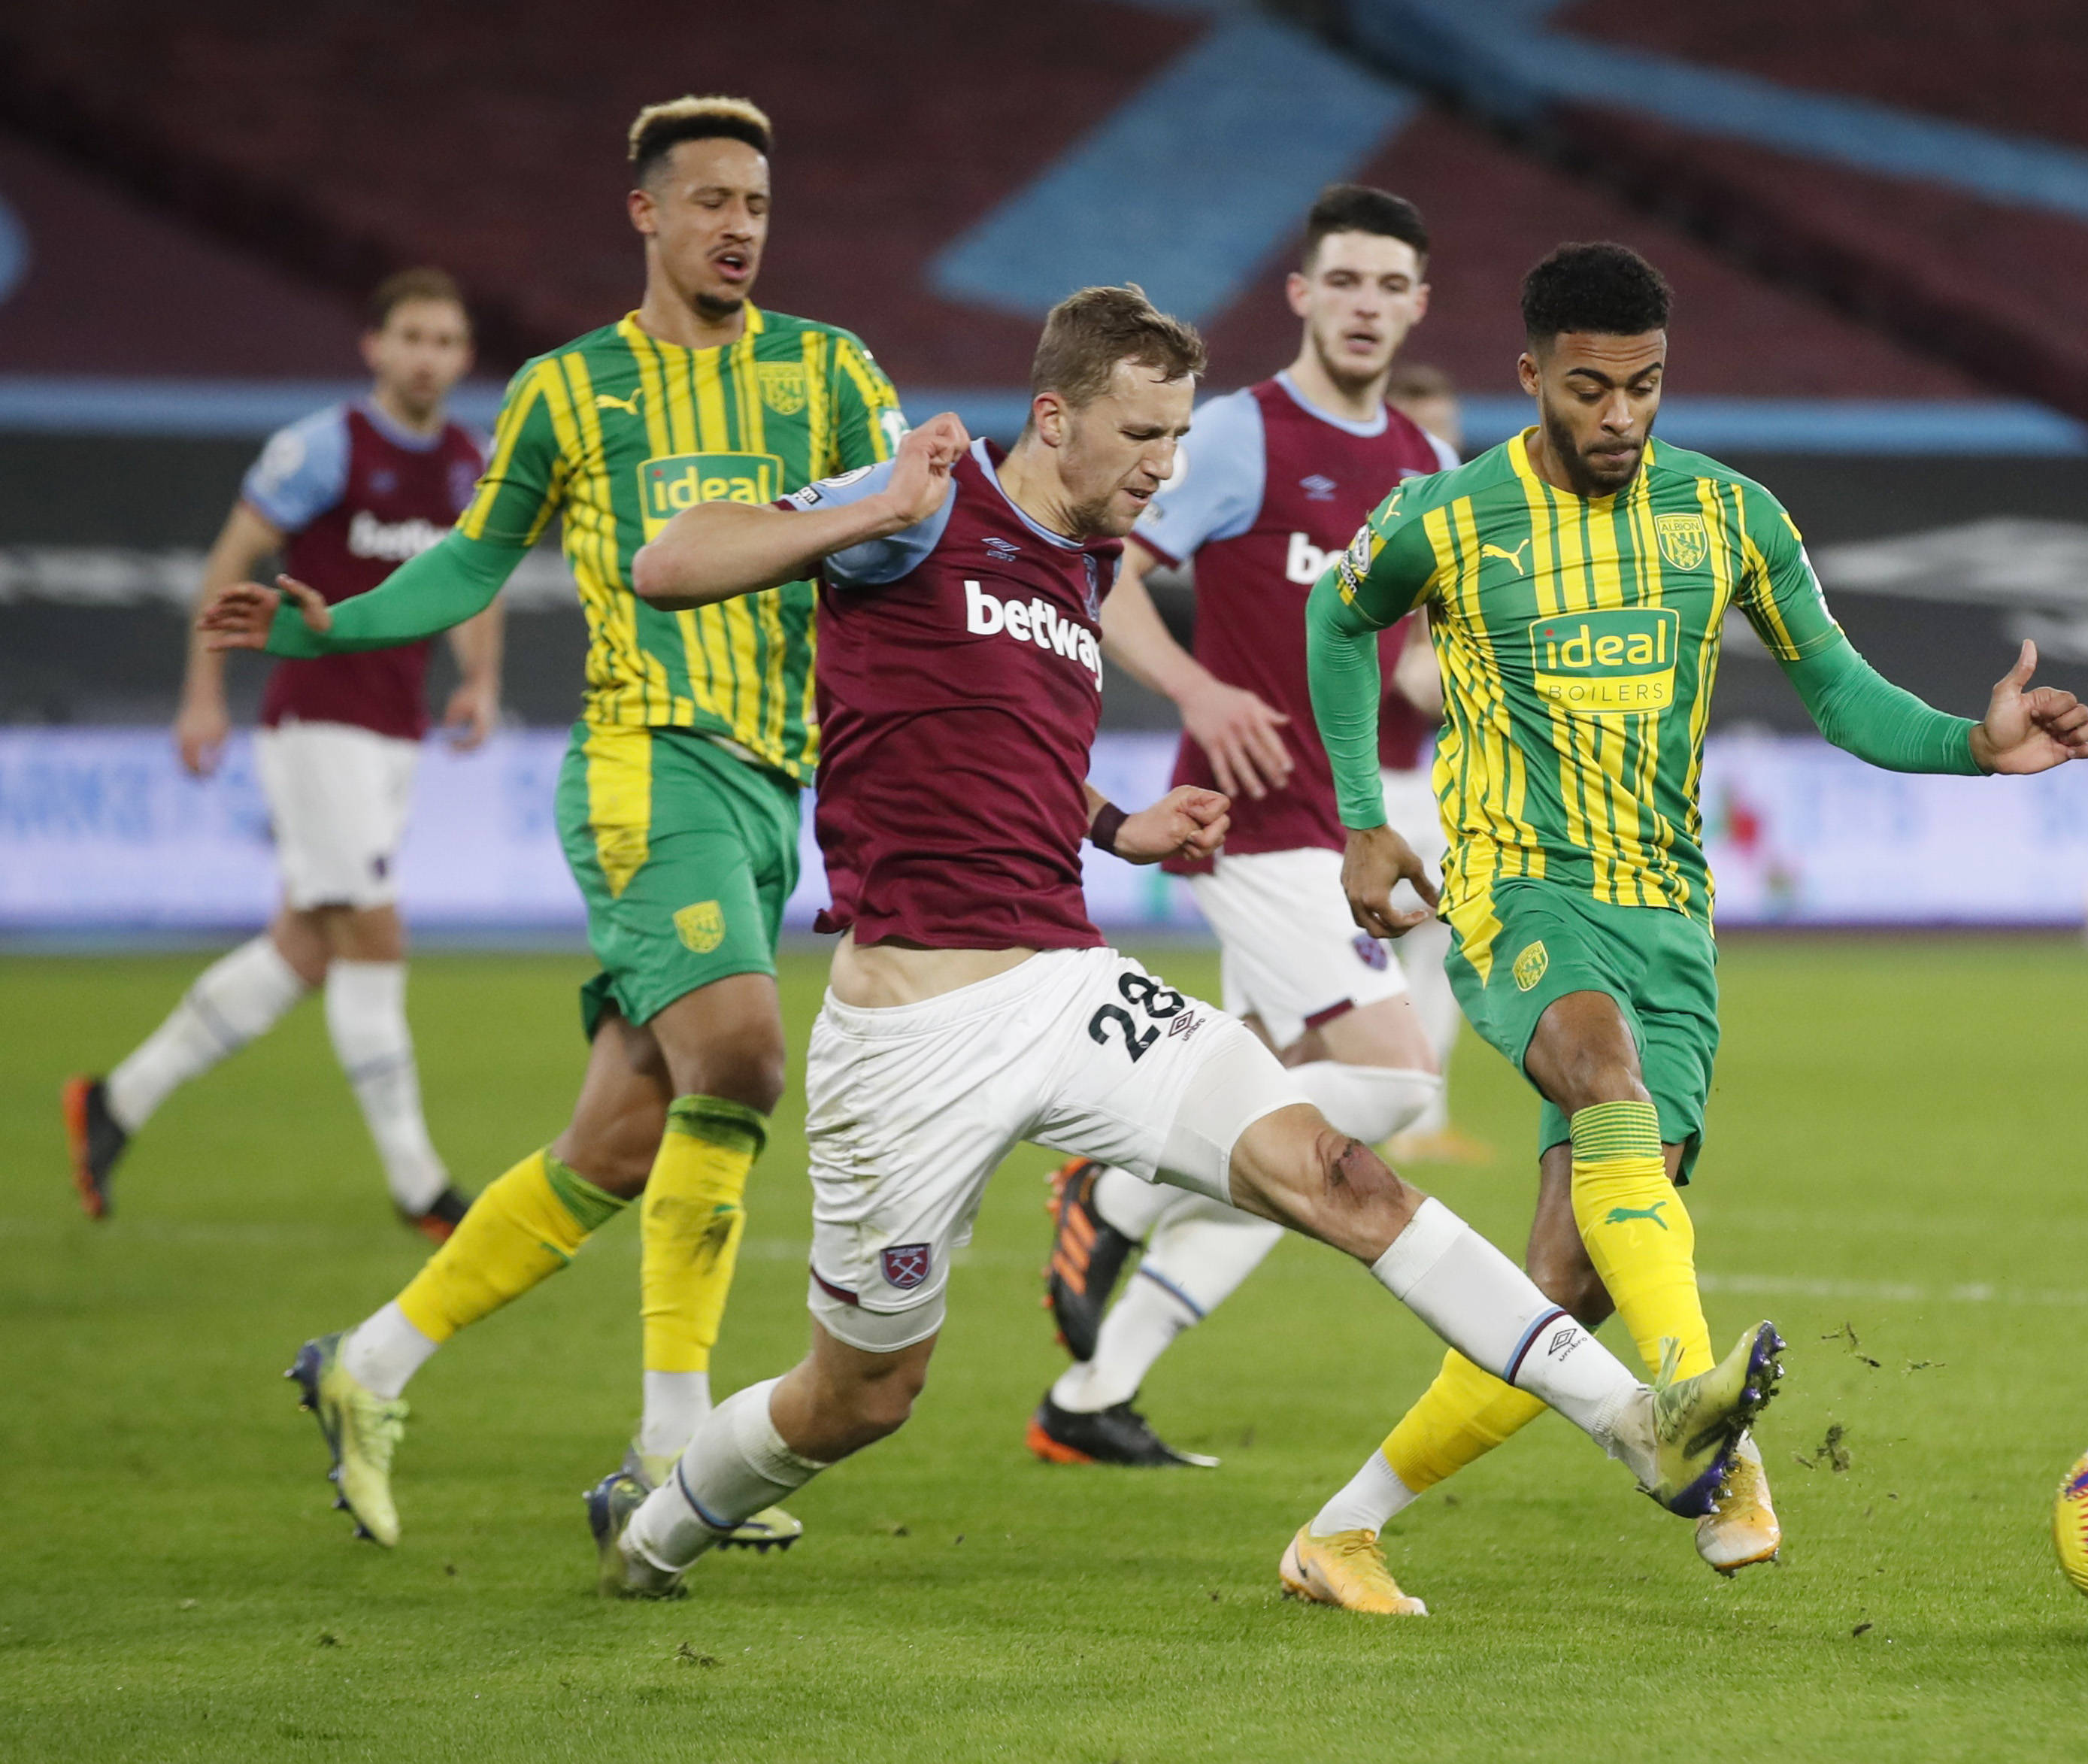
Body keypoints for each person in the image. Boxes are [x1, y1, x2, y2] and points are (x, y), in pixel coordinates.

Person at [589, 283, 1776, 1606]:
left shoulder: (1080, 560)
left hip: (1070, 984)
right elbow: (669, 561)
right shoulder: (919, 506)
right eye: (1144, 438)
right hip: (909, 1031)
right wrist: (872, 507)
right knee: (860, 1396)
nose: (1166, 469)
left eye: (1178, 439)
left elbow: (986, 736)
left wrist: (1115, 823)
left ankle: (1640, 1424)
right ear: (1055, 416)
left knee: (1342, 1175)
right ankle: (658, 1527)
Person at [1296, 242, 2088, 1611]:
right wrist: (1366, 816)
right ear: (1531, 377)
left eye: (1647, 387)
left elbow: (1840, 693)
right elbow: (1334, 613)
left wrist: (1975, 741)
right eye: (1591, 388)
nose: (1620, 417)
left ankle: (1341, 1533)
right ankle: (1715, 1451)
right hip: (1517, 886)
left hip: (1670, 914)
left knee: (1567, 1281)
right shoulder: (1450, 518)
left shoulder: (1728, 517)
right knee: (1598, 1065)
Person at [198, 95, 903, 1551]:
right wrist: (333, 634)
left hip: (773, 784)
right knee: (746, 1057)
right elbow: (467, 571)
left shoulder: (831, 374)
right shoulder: (570, 391)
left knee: (624, 1138)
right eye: (709, 202)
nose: (738, 229)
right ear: (643, 213)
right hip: (648, 767)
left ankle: (368, 1364)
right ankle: (671, 1450)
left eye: (757, 206)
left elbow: (904, 532)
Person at [1031, 187, 1457, 1470]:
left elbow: (1426, 655)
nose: (1368, 305)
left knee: (1281, 1148)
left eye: (1392, 285)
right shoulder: (1237, 435)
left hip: (1357, 827)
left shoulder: (1428, 469)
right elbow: (1107, 581)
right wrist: (1202, 687)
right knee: (1394, 1080)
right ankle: (1108, 1187)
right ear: (1303, 294)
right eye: (1347, 282)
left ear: (1417, 304)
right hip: (1256, 826)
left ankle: (1091, 1398)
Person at [66, 268, 498, 1240]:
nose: (428, 355)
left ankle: (116, 1101)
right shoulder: (321, 447)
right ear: (375, 347)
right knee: (376, 937)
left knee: (305, 947)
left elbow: (474, 582)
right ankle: (419, 1181)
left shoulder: (471, 461)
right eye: (413, 337)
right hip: (316, 724)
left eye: (446, 340)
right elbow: (229, 567)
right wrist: (203, 691)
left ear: (464, 357)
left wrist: (478, 677)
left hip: (394, 732)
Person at [1372, 362, 1487, 1168]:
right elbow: (1414, 671)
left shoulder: (1459, 519)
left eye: (1446, 427)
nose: (1441, 444)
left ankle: (1415, 1114)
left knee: (1442, 951)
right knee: (1379, 956)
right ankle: (1379, 1109)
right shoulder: (1381, 529)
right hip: (1374, 784)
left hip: (1432, 784)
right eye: (1426, 428)